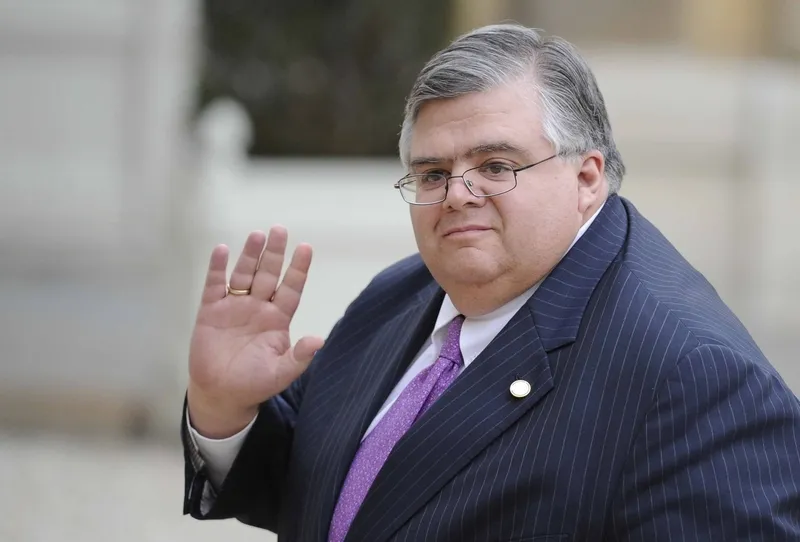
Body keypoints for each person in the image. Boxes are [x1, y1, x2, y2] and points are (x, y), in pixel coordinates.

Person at [181, 23, 800, 541]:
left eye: (496, 165)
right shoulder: (399, 295)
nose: (457, 194)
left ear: (587, 178)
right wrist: (223, 408)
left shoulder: (695, 377)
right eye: (432, 174)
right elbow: (336, 502)